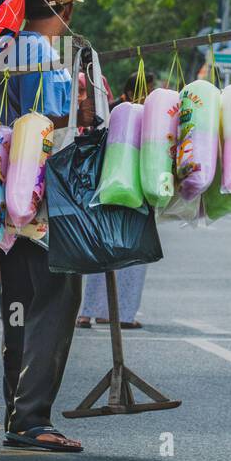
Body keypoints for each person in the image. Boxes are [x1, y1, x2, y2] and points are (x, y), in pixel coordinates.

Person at [0, 0, 94, 453]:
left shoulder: (1, 47)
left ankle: (17, 411)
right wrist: (85, 111)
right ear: (65, 11)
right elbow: (52, 121)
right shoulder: (46, 55)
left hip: (5, 194)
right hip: (42, 197)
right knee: (55, 300)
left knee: (18, 304)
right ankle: (32, 418)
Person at [78, 68, 152, 330]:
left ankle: (101, 312)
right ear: (131, 92)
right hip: (124, 190)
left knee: (110, 253)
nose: (149, 95)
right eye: (147, 90)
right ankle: (100, 313)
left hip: (111, 188)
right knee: (125, 253)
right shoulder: (122, 115)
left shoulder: (116, 114)